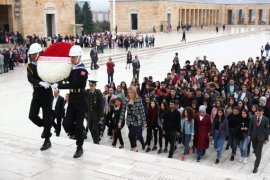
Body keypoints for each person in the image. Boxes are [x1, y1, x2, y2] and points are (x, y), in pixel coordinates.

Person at [52, 45, 88, 158]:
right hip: (72, 99)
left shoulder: (82, 71)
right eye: (71, 57)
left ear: (79, 57)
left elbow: (74, 84)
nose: (71, 59)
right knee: (66, 123)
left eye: (73, 57)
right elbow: (66, 78)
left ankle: (79, 147)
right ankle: (78, 134)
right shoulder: (72, 69)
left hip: (80, 100)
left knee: (78, 126)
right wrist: (55, 78)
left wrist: (59, 85)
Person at [27, 43, 53, 151]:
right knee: (32, 115)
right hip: (37, 93)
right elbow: (30, 78)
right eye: (31, 54)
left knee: (47, 116)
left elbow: (52, 75)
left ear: (39, 53)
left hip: (47, 94)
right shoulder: (30, 65)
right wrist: (40, 82)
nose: (33, 56)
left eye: (35, 54)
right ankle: (47, 128)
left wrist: (50, 82)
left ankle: (47, 141)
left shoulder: (45, 63)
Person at [119, 85, 146, 152]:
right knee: (132, 136)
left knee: (130, 134)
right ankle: (133, 148)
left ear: (134, 92)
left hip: (137, 121)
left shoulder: (138, 100)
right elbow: (123, 111)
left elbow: (142, 112)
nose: (130, 94)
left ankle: (135, 148)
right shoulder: (126, 99)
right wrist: (120, 121)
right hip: (129, 121)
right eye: (129, 92)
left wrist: (144, 123)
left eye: (131, 92)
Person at [248, 107, 269, 173]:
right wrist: (249, 135)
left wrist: (266, 138)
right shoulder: (253, 118)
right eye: (258, 112)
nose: (259, 114)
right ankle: (258, 157)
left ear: (262, 112)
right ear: (256, 112)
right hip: (254, 137)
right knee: (254, 148)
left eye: (260, 113)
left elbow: (267, 130)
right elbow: (250, 127)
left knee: (259, 152)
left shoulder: (266, 119)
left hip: (261, 138)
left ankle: (255, 167)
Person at [86, 80, 104, 144]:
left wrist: (101, 115)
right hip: (89, 114)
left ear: (95, 86)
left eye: (92, 86)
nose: (91, 87)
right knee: (90, 127)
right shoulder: (87, 92)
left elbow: (100, 105)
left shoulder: (98, 93)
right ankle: (96, 138)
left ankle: (96, 141)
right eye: (90, 85)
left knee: (94, 128)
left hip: (96, 114)